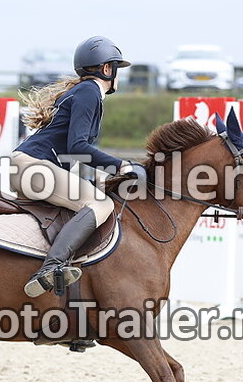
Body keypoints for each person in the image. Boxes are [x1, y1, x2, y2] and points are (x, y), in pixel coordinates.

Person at [13, 36, 146, 298]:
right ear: (107, 69)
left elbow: (73, 151)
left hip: (29, 166)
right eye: (117, 68)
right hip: (34, 168)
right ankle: (50, 267)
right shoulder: (89, 91)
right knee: (101, 205)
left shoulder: (82, 91)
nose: (119, 76)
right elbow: (78, 146)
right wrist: (121, 166)